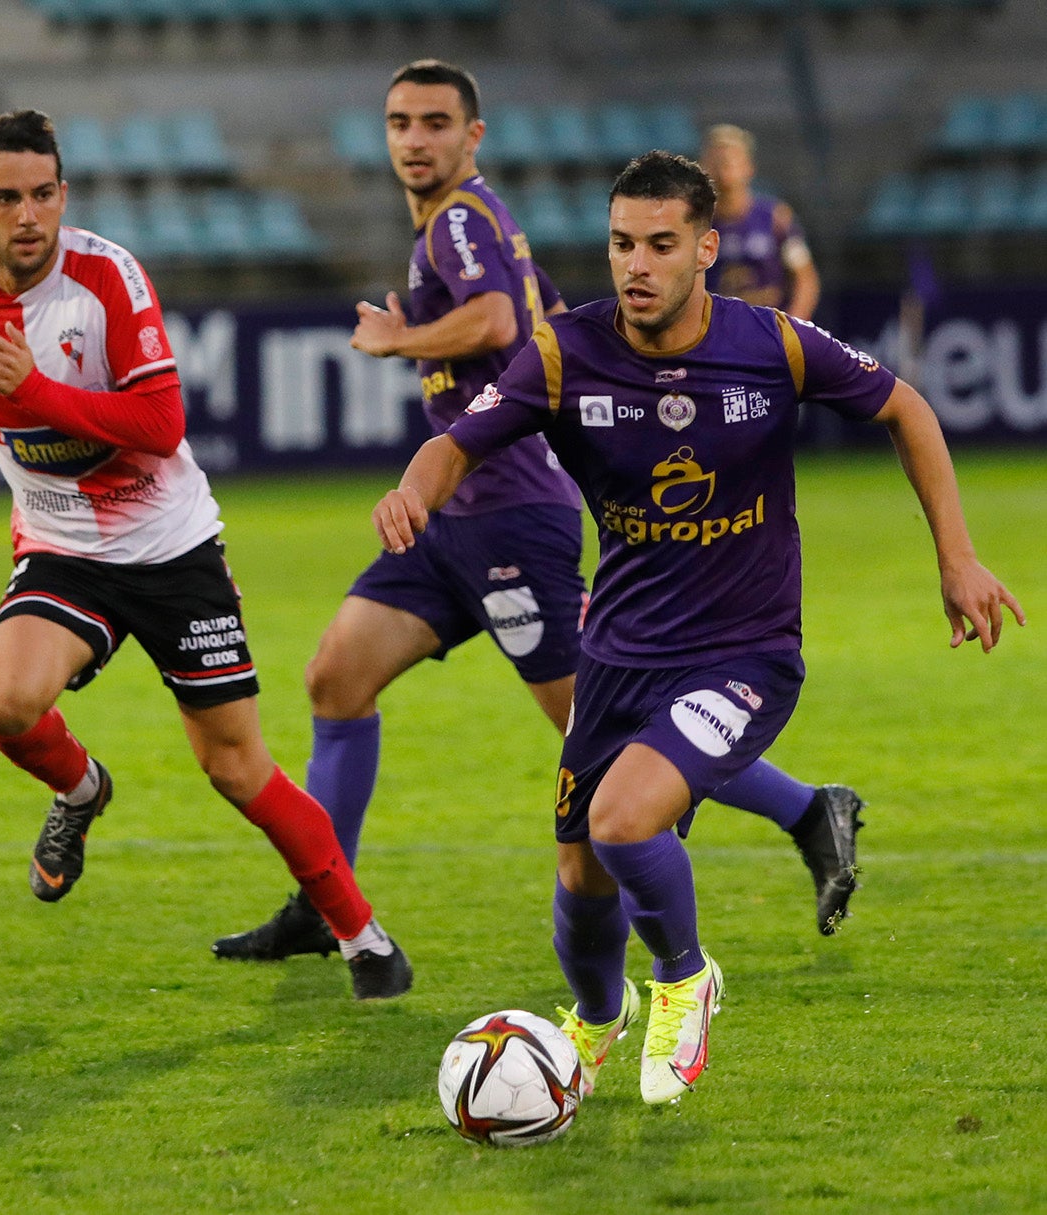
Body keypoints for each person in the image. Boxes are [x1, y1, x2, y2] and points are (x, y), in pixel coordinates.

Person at [372, 149, 1023, 1104]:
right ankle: (593, 1026)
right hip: (619, 655)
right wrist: (413, 492)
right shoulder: (565, 352)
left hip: (744, 653)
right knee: (580, 872)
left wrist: (956, 556)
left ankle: (684, 975)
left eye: (661, 244)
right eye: (621, 243)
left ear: (706, 249)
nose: (636, 264)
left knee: (623, 820)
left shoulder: (775, 345)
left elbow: (906, 408)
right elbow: (455, 442)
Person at [212, 60, 863, 968]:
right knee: (335, 676)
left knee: (603, 731)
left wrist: (401, 338)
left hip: (513, 513)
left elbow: (488, 322)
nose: (415, 139)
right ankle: (331, 903)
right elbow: (546, 318)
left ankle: (801, 811)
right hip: (450, 520)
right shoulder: (477, 223)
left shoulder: (463, 221)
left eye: (435, 122)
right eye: (400, 122)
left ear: (471, 136)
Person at [0, 109, 411, 1001]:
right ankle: (82, 788)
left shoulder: (106, 277)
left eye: (44, 195)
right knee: (8, 704)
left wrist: (38, 392)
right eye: (8, 198)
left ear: (63, 195)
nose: (30, 215)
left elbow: (160, 426)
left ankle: (363, 937)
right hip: (63, 547)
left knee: (234, 766)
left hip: (172, 547)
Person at [701, 123, 821, 321]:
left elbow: (805, 279)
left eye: (731, 161)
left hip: (768, 330)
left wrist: (793, 327)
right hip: (714, 334)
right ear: (703, 166)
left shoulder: (776, 218)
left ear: (749, 167)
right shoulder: (694, 222)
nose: (724, 169)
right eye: (716, 161)